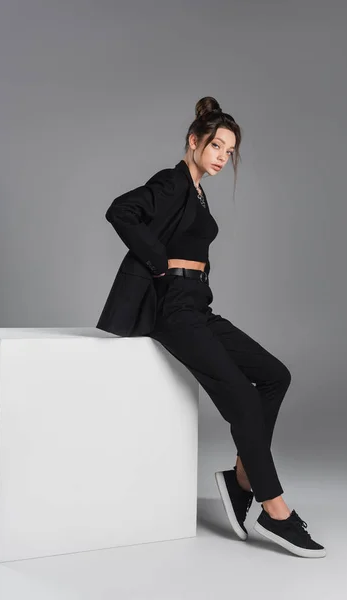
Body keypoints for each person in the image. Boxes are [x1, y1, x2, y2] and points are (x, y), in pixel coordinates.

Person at [100, 96, 326, 558]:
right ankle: (273, 509)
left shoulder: (198, 191)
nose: (223, 156)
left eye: (230, 150)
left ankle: (241, 476)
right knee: (241, 397)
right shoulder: (171, 182)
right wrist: (158, 263)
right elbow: (121, 210)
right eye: (217, 146)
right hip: (173, 310)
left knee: (274, 376)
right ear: (194, 141)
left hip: (197, 305)